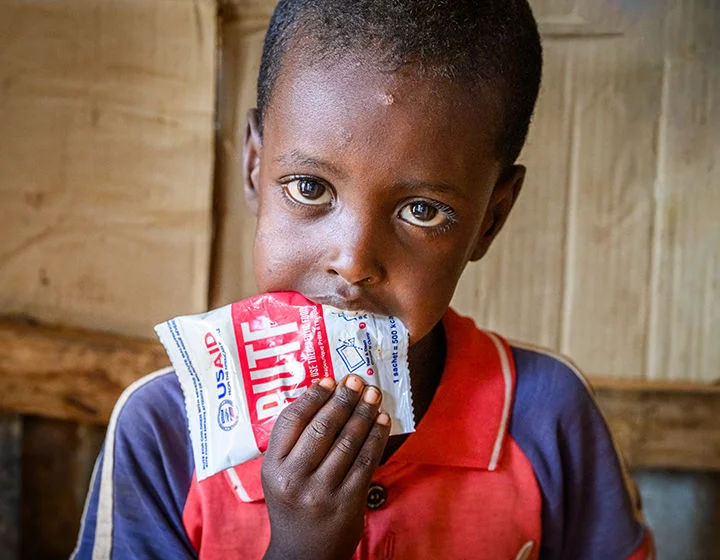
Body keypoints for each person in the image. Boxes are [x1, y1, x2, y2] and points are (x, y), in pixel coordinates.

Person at [72, 0, 654, 558]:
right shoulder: (164, 431)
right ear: (254, 165)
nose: (352, 262)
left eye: (422, 210)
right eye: (309, 187)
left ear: (490, 221)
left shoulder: (545, 413)